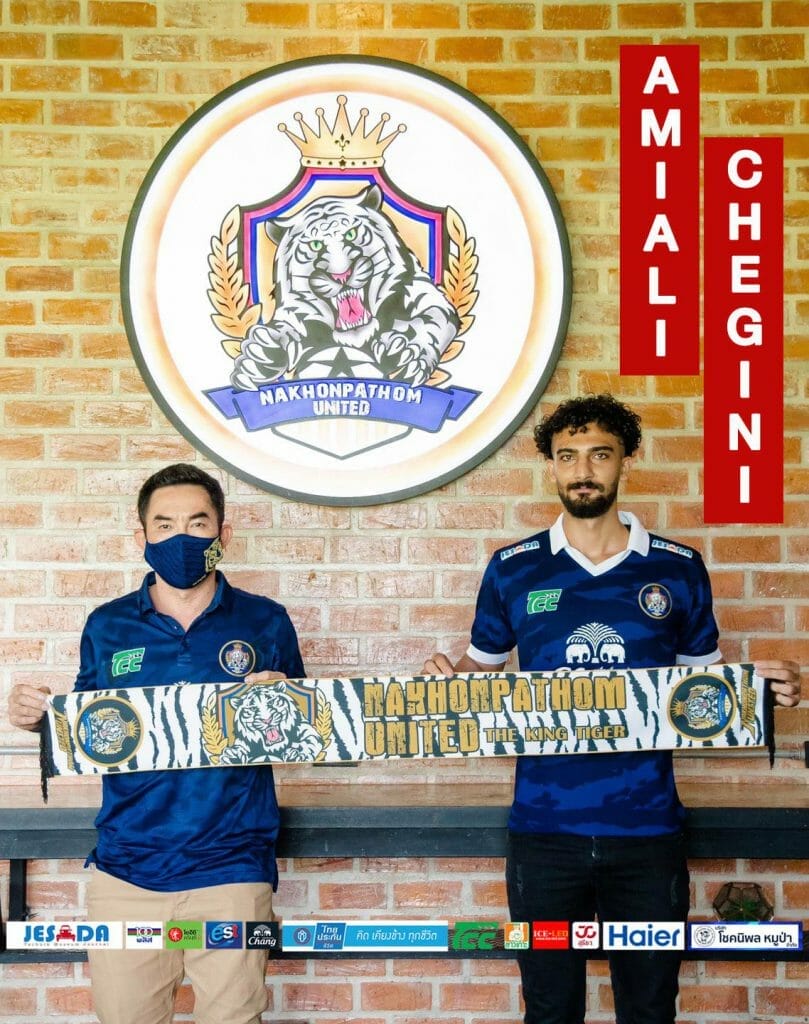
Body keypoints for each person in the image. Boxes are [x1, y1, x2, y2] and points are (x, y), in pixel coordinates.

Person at [422, 394, 801, 1024]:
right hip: (543, 833)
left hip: (648, 833)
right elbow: (477, 676)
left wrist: (760, 688)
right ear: (550, 465)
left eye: (600, 454)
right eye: (568, 455)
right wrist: (441, 687)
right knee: (549, 1010)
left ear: (625, 460)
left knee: (649, 1010)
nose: (583, 470)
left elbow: (703, 692)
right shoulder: (514, 569)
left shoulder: (677, 569)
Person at [9, 463, 304, 1024]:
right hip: (126, 869)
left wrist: (284, 703)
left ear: (223, 534)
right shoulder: (107, 625)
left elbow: (305, 738)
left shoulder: (266, 621)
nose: (181, 538)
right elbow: (91, 732)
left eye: (198, 523)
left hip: (233, 868)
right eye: (165, 525)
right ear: (141, 535)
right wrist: (38, 720)